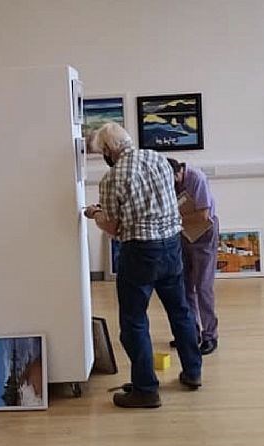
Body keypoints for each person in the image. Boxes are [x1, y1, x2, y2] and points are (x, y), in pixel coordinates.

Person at [84, 122, 202, 409]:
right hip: (172, 245)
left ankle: (146, 389)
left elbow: (112, 226)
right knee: (180, 312)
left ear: (111, 150)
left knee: (134, 321)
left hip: (140, 252)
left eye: (103, 153)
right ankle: (193, 372)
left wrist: (94, 214)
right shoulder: (158, 159)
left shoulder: (112, 178)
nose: (104, 158)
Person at [167, 158, 219, 355]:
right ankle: (191, 333)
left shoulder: (197, 178)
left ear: (178, 172)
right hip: (183, 233)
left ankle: (210, 336)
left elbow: (203, 215)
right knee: (185, 285)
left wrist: (175, 218)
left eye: (172, 181)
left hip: (204, 233)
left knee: (203, 286)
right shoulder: (171, 181)